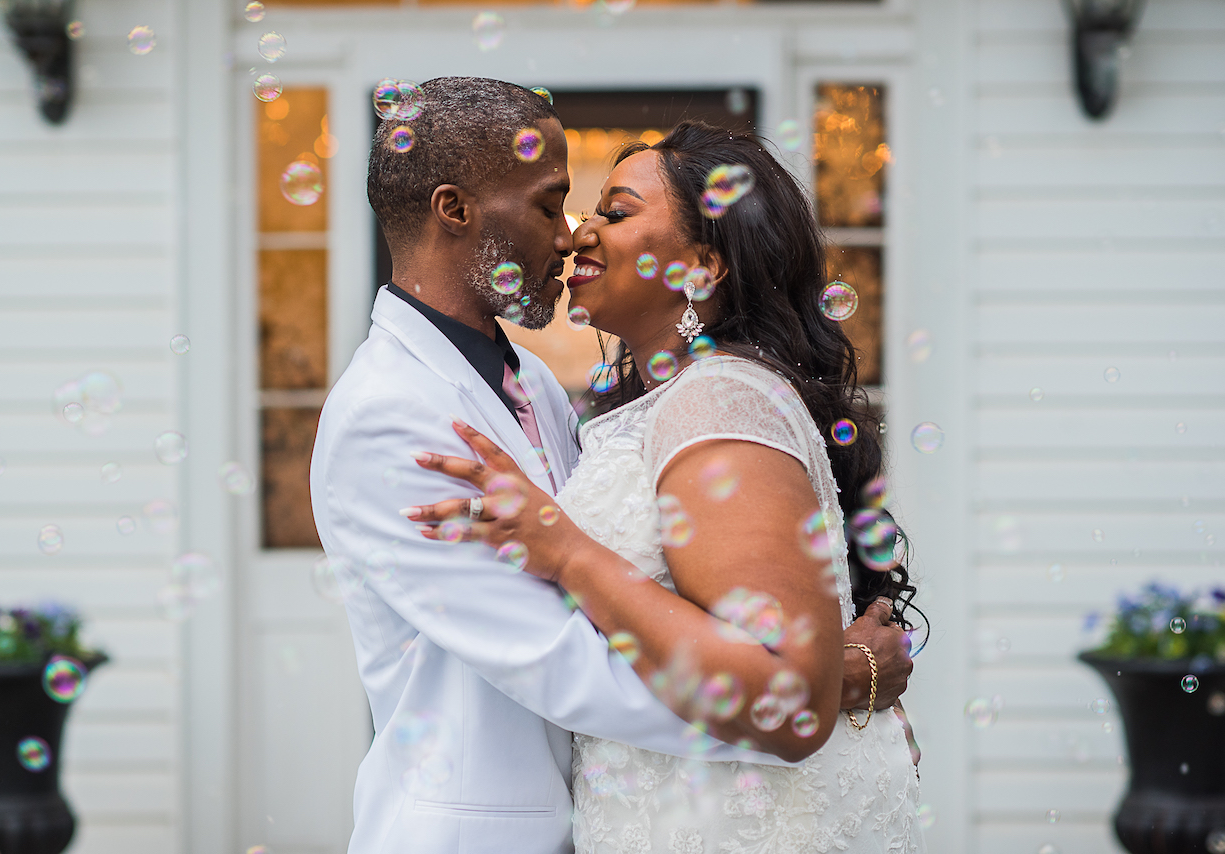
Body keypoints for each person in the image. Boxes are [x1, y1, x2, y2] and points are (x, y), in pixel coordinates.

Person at [311, 77, 915, 854]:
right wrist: (823, 686)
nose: (569, 235)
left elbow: (614, 584)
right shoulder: (386, 414)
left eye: (604, 210)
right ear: (455, 211)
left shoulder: (532, 381)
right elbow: (565, 662)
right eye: (547, 202)